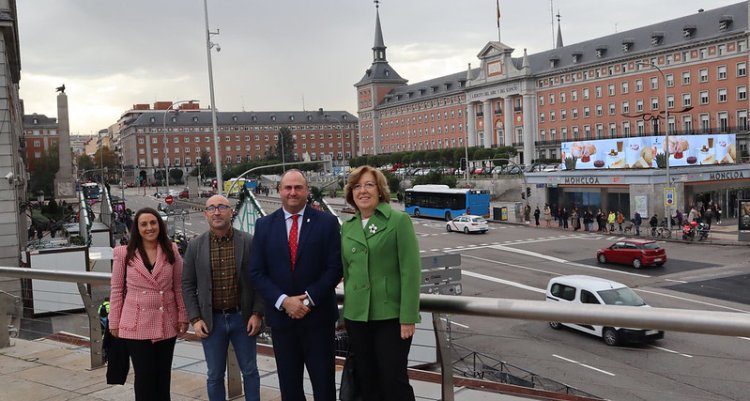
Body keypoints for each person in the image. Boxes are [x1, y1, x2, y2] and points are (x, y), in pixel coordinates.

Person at [248, 170, 342, 401]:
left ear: (307, 191)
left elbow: (335, 268)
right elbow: (257, 272)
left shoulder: (327, 223)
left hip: (318, 320)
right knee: (289, 389)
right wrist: (284, 302)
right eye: (287, 188)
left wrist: (307, 300)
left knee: (324, 387)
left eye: (298, 187)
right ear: (279, 191)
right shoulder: (264, 226)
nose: (293, 192)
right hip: (282, 323)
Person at [341, 166, 421, 401]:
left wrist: (408, 316)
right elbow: (347, 272)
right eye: (357, 186)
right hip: (357, 318)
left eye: (369, 185)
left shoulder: (398, 221)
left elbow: (411, 272)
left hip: (391, 318)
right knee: (367, 383)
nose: (362, 191)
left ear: (380, 190)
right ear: (351, 193)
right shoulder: (348, 227)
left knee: (393, 381)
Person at [182, 195, 265, 401]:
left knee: (250, 371)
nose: (216, 212)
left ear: (231, 211)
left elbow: (260, 280)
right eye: (211, 208)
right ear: (206, 214)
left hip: (243, 317)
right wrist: (195, 318)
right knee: (214, 375)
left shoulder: (247, 241)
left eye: (221, 207)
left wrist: (257, 313)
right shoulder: (195, 246)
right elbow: (188, 284)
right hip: (212, 320)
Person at [108, 207, 188, 401]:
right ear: (137, 228)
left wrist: (183, 316)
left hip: (166, 322)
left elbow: (178, 287)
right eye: (144, 224)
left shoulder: (171, 250)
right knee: (144, 378)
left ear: (159, 225)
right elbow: (117, 289)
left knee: (163, 377)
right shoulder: (123, 253)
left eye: (153, 223)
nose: (149, 228)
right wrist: (114, 322)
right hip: (135, 325)